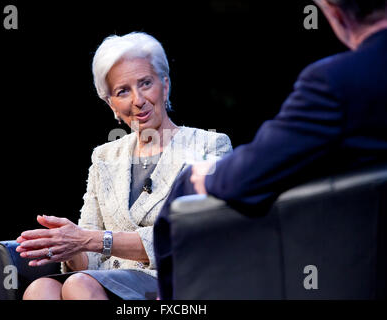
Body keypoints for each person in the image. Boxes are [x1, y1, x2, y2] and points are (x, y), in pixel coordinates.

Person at [154, 0, 387, 300]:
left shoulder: (335, 83)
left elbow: (246, 176)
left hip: (340, 267)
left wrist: (205, 176)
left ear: (335, 13)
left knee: (188, 185)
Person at [16, 32, 233, 300]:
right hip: (105, 282)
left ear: (165, 85)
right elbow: (91, 260)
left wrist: (88, 240)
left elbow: (192, 237)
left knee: (79, 285)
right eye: (123, 91)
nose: (137, 100)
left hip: (175, 280)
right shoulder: (104, 156)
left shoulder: (209, 146)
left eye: (145, 83)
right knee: (42, 287)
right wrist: (70, 247)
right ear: (111, 105)